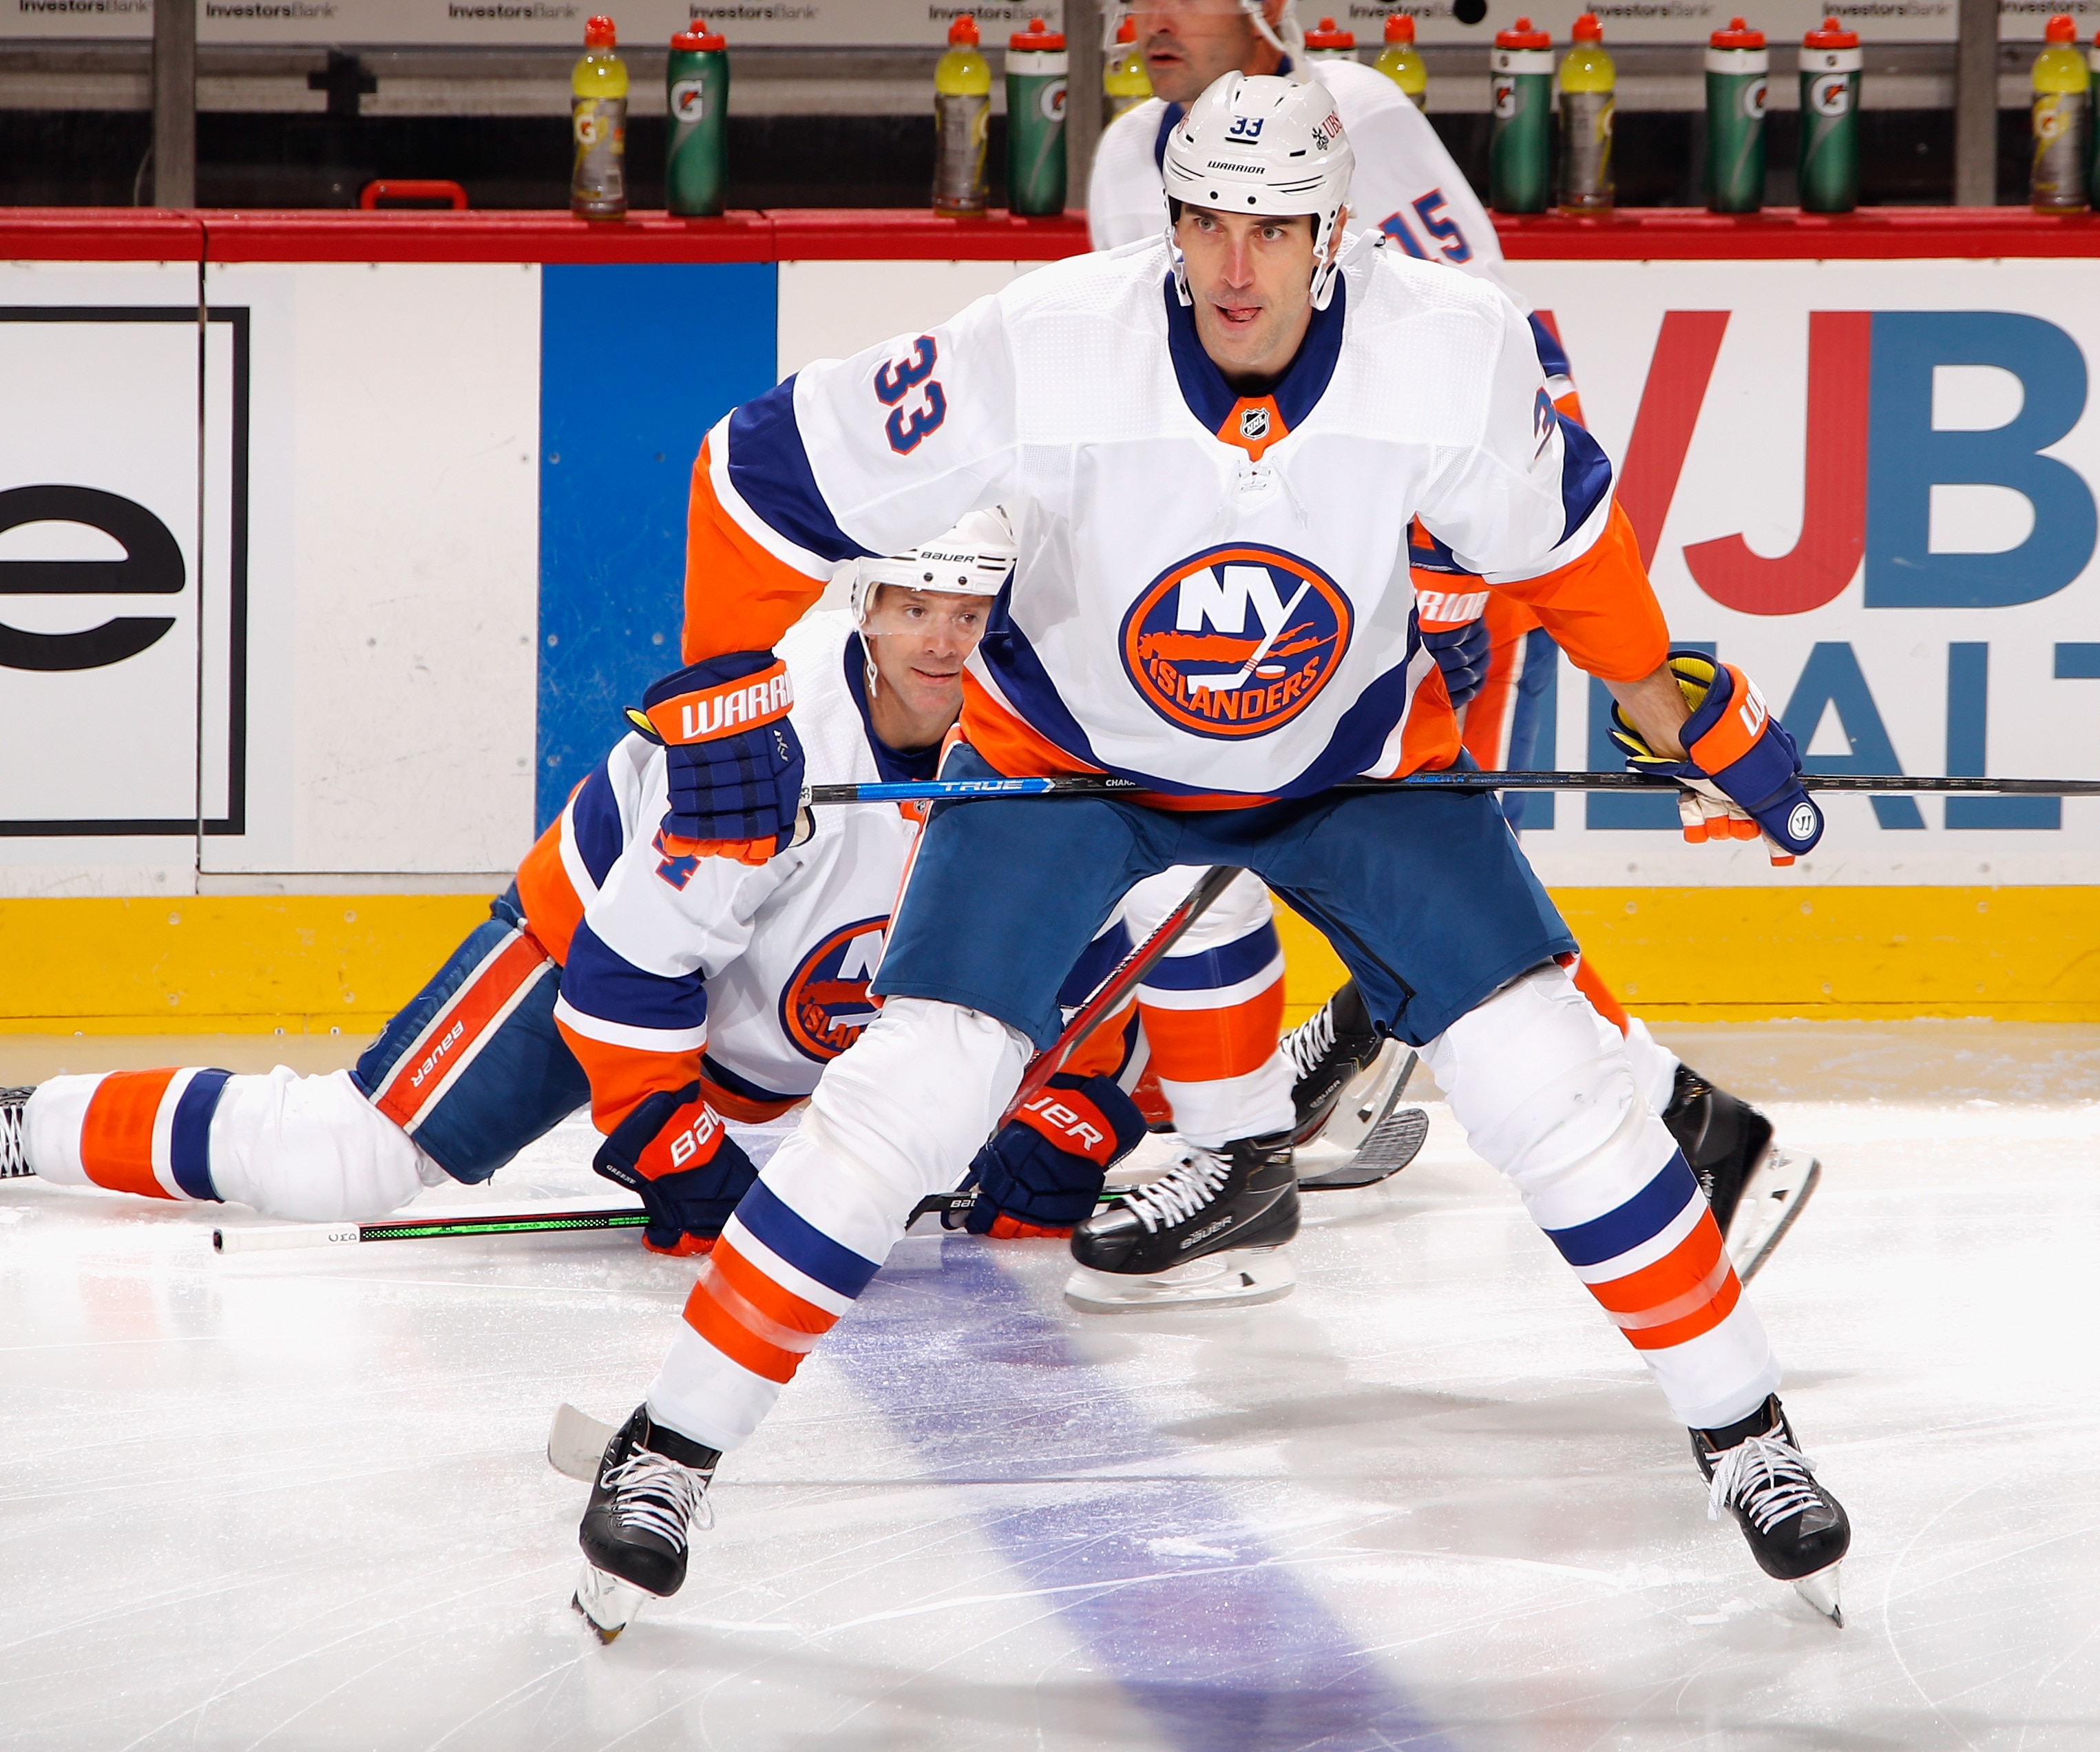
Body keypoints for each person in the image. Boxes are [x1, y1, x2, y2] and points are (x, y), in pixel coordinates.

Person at [564, 72, 1852, 1641]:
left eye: (1274, 229)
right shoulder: (1037, 349)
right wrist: (721, 690)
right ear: (1170, 226)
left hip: (1358, 770)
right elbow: (757, 476)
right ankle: (670, 1450)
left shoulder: (1449, 351)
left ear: (1336, 236)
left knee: (1550, 1077)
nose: (1238, 269)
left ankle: (1749, 1438)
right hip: (1072, 771)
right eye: (1207, 225)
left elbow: (1567, 549)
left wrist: (1687, 712)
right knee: (910, 1096)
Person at [1089, 0, 1805, 1255]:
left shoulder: (1353, 117)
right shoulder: (1118, 158)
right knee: (1310, 857)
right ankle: (1300, 1091)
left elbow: (1493, 363)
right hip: (1282, 582)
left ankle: (1683, 1136)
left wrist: (1446, 586)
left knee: (1422, 883)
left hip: (1426, 574)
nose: (1146, 19)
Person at [0, 516, 1188, 1251]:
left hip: (794, 1012)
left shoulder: (1050, 742)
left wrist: (1073, 1107)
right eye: (915, 608)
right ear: (865, 609)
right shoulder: (768, 747)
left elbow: (1102, 957)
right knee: (339, 1160)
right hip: (596, 955)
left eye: (971, 614)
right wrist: (668, 1141)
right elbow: (633, 969)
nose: (942, 643)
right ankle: (30, 1125)